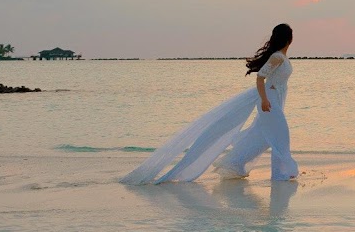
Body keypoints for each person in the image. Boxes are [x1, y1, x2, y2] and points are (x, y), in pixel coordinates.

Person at [121, 24, 300, 184]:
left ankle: (233, 163)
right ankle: (280, 174)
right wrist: (264, 100)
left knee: (262, 137)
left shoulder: (282, 57)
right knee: (281, 136)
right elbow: (260, 77)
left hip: (274, 99)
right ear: (288, 39)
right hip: (269, 102)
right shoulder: (277, 57)